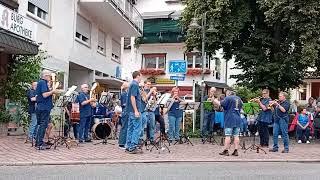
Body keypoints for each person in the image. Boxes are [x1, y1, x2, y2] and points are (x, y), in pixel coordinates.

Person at [213, 90, 243, 156]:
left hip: (230, 119)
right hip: (237, 118)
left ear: (228, 93)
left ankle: (226, 150)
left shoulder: (228, 98)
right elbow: (241, 107)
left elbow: (221, 104)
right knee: (236, 135)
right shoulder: (239, 98)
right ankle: (236, 151)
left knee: (228, 135)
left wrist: (215, 101)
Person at [35, 70, 59, 150]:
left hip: (43, 107)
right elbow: (44, 95)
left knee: (44, 125)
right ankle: (39, 143)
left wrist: (50, 90)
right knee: (43, 125)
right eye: (49, 76)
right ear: (45, 76)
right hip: (44, 107)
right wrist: (52, 91)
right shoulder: (42, 82)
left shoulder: (42, 83)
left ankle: (38, 142)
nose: (50, 78)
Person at [125, 71, 143, 154]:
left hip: (130, 111)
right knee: (137, 128)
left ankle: (128, 146)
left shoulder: (132, 84)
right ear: (138, 76)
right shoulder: (135, 84)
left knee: (131, 128)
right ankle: (133, 147)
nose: (141, 78)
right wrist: (136, 110)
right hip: (135, 111)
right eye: (140, 76)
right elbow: (132, 98)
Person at [118, 82, 129, 149]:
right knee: (124, 127)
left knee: (126, 127)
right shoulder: (124, 94)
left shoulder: (126, 93)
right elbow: (124, 104)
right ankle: (121, 143)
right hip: (125, 112)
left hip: (126, 111)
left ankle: (124, 142)